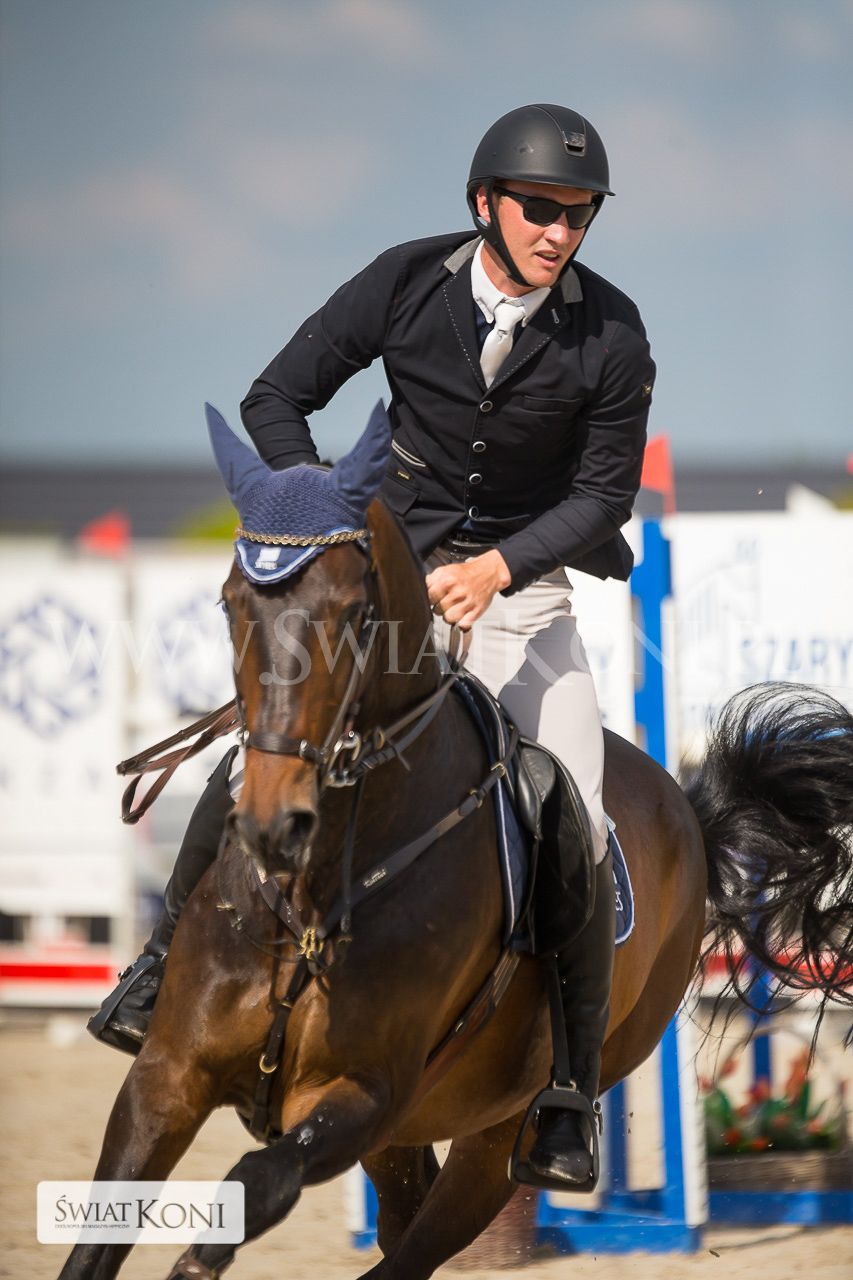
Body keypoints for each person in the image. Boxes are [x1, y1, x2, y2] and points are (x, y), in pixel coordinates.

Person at [89, 103, 655, 1189]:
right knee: (252, 760)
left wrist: (499, 567)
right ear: (484, 202)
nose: (559, 230)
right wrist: (331, 518)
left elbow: (601, 497)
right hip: (385, 600)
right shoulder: (404, 281)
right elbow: (275, 398)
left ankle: (566, 1092)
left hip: (523, 606)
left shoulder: (613, 333)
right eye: (539, 208)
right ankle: (156, 971)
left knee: (575, 813)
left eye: (578, 214)